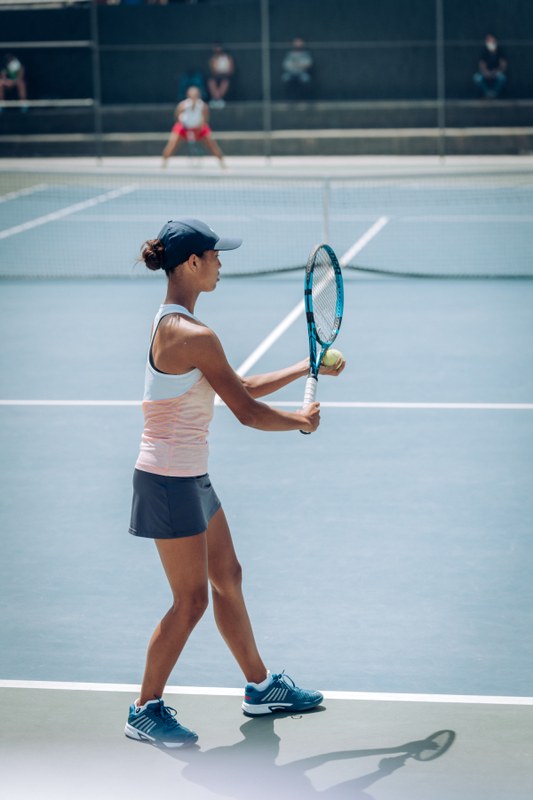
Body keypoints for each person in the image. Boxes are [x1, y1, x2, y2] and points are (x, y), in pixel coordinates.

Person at [124, 218, 346, 747]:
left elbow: (238, 385)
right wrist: (299, 420)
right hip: (168, 481)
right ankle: (144, 708)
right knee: (191, 601)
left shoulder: (180, 326)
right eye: (215, 255)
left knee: (228, 575)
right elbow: (246, 411)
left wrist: (305, 366)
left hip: (189, 475)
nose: (221, 263)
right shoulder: (190, 334)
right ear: (191, 263)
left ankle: (261, 686)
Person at [161, 86, 226, 168]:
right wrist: (185, 128)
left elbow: (205, 121)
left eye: (195, 96)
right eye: (191, 96)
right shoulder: (182, 106)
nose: (193, 98)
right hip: (184, 128)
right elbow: (177, 118)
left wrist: (198, 130)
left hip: (199, 129)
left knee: (211, 144)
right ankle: (164, 163)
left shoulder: (203, 107)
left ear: (198, 96)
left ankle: (222, 163)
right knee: (172, 143)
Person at [473, 34, 507, 99]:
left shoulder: (500, 52)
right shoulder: (484, 53)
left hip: (496, 72)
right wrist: (486, 72)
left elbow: (503, 65)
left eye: (492, 42)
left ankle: (494, 93)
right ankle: (487, 93)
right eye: (489, 42)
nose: (491, 44)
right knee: (477, 77)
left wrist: (496, 72)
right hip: (486, 73)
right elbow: (481, 65)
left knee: (502, 77)